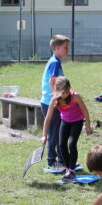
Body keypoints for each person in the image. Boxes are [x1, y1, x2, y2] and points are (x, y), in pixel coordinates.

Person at [40, 76, 93, 181]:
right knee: (61, 145)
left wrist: (88, 125)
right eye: (62, 92)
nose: (65, 94)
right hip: (65, 121)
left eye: (67, 92)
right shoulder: (55, 99)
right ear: (57, 90)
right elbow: (48, 118)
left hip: (77, 121)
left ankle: (71, 170)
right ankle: (68, 168)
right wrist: (44, 135)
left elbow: (84, 110)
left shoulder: (75, 96)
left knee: (72, 143)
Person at [41, 35, 70, 169]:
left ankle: (62, 159)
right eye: (65, 47)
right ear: (57, 48)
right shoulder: (54, 62)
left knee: (58, 132)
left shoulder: (56, 61)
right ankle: (51, 160)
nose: (67, 49)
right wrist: (57, 98)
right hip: (50, 103)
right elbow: (52, 81)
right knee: (54, 133)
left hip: (50, 102)